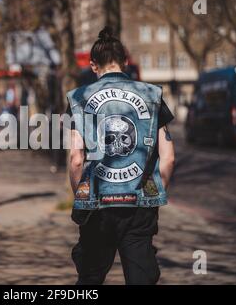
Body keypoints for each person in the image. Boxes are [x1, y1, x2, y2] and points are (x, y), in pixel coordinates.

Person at [66, 26, 175, 285]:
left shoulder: (78, 99)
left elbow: (76, 159)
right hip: (138, 206)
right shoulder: (152, 95)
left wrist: (81, 195)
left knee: (90, 279)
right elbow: (168, 156)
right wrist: (154, 194)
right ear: (125, 62)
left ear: (93, 66)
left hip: (97, 206)